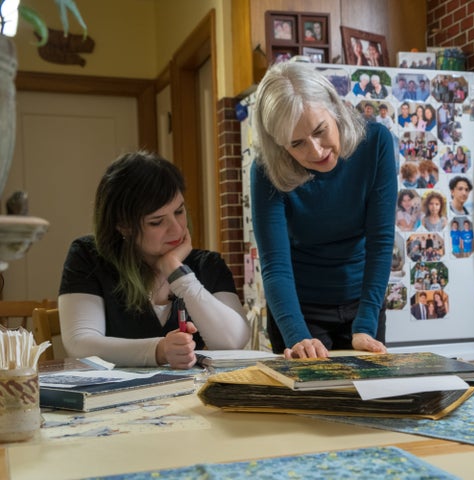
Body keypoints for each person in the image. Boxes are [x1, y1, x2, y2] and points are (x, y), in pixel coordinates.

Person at [251, 62, 396, 359]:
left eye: (320, 131)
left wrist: (365, 326)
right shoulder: (266, 170)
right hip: (298, 309)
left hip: (363, 302)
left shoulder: (376, 142)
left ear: (335, 106)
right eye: (297, 144)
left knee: (366, 400)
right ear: (280, 146)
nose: (316, 151)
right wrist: (298, 336)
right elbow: (275, 264)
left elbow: (381, 242)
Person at [57, 152, 251, 369]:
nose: (177, 228)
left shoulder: (208, 264)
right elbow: (80, 344)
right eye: (157, 222)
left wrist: (178, 274)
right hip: (115, 398)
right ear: (123, 226)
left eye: (179, 211)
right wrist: (159, 350)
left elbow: (234, 341)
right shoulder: (88, 256)